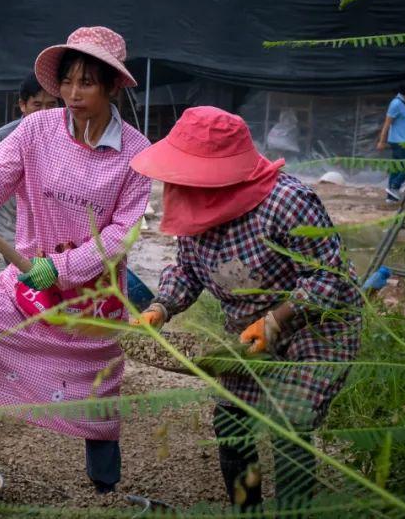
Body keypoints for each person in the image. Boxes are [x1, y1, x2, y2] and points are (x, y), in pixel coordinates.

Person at [0, 26, 152, 494]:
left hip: (93, 302)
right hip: (25, 282)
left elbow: (119, 236)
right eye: (66, 82)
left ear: (111, 85)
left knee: (96, 392)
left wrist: (63, 269)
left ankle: (105, 488)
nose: (71, 93)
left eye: (86, 82)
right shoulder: (36, 129)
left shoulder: (136, 154)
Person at [130, 106, 362, 510]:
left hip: (315, 325)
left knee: (290, 423)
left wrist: (275, 320)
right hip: (247, 333)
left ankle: (293, 513)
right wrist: (161, 307)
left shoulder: (287, 203)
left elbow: (330, 280)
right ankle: (247, 509)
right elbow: (187, 270)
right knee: (231, 422)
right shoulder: (191, 204)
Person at [0, 73, 59, 276]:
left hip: (56, 234)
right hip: (13, 234)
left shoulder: (68, 137)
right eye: (37, 105)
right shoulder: (4, 139)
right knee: (27, 292)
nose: (44, 112)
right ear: (23, 105)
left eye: (51, 105)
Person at [377, 85, 405, 203]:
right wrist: (382, 141)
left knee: (396, 168)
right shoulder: (396, 104)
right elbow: (387, 124)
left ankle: (391, 198)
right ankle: (395, 186)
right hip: (400, 142)